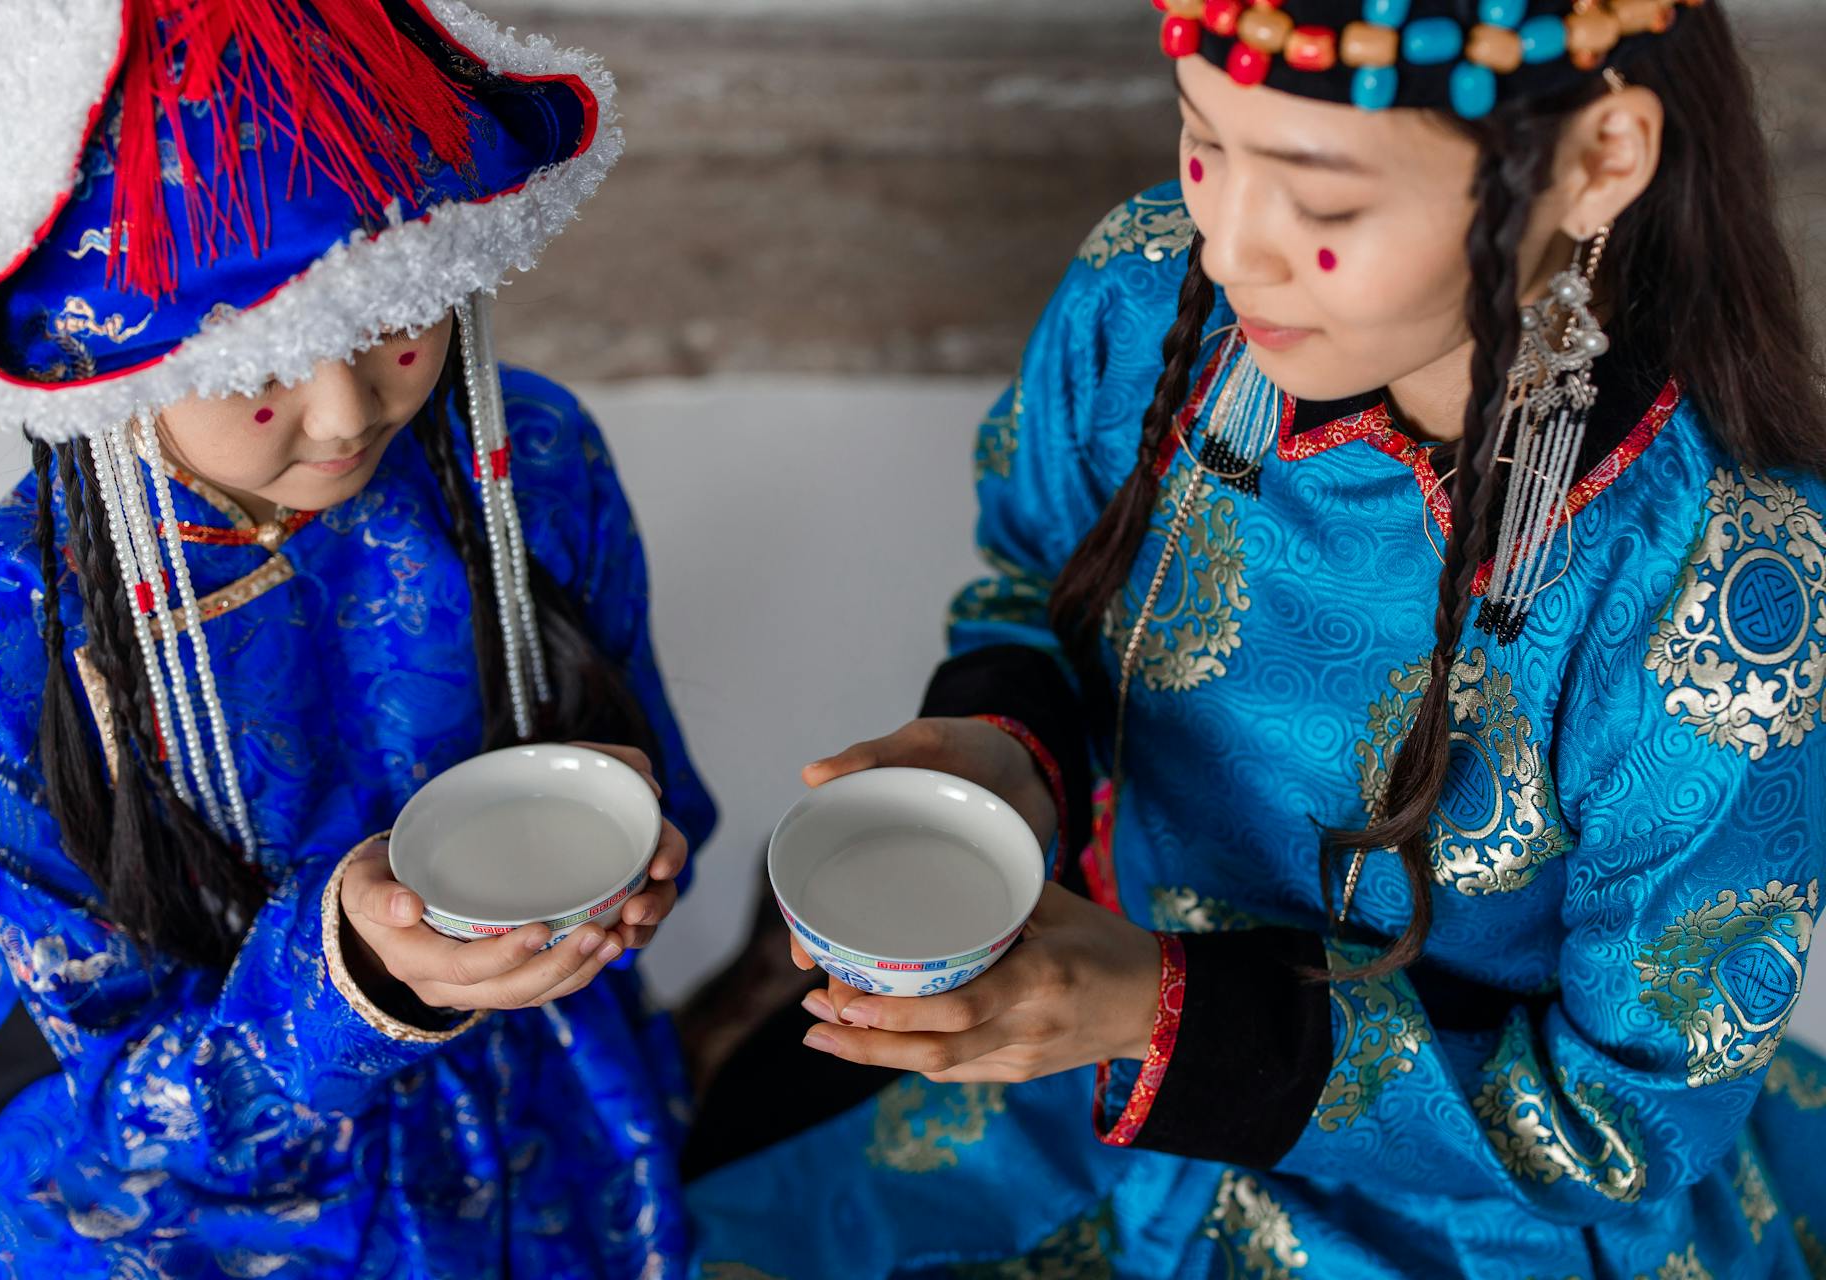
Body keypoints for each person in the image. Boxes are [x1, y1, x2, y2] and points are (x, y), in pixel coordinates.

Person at [686, 1, 1826, 1274]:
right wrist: (1004, 753)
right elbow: (1029, 581)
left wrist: (1155, 1007)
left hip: (1456, 1201)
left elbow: (1627, 1116)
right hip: (1055, 1062)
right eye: (1201, 147)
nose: (1228, 250)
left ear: (1601, 156)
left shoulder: (1725, 588)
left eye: (1322, 209)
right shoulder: (1141, 295)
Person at [0, 1, 713, 1274]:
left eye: (391, 316)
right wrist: (356, 985)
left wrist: (634, 844)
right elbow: (125, 1079)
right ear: (123, 354)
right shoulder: (0, 660)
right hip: (210, 1118)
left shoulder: (530, 464)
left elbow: (641, 752)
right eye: (263, 358)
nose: (344, 411)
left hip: (535, 1057)